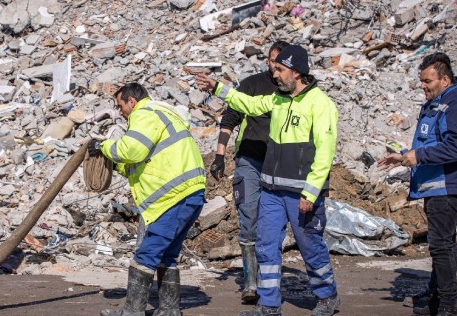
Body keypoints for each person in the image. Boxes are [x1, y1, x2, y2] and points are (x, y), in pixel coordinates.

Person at [196, 44, 340, 316]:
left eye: (280, 70)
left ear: (296, 73)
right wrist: (218, 87)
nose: (274, 75)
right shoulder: (277, 99)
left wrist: (311, 193)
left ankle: (327, 296)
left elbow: (325, 152)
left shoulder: (320, 104)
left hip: (301, 194)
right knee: (266, 245)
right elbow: (248, 104)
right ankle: (269, 304)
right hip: (272, 190)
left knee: (310, 246)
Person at [88, 83, 206, 316]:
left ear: (132, 101)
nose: (119, 111)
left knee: (147, 254)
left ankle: (132, 312)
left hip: (174, 196)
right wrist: (114, 163)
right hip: (188, 193)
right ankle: (170, 310)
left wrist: (103, 147)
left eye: (120, 105)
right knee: (166, 255)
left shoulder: (145, 113)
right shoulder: (161, 113)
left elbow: (132, 150)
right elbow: (139, 162)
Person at [377, 53, 457, 316]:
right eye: (421, 81)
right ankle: (436, 295)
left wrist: (417, 156)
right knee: (442, 243)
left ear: (445, 80)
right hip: (436, 185)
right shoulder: (437, 104)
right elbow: (431, 143)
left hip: (449, 186)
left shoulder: (456, 104)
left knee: (441, 245)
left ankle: (447, 304)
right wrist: (404, 157)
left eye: (428, 81)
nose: (423, 85)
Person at [211, 40, 287, 303]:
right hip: (250, 162)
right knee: (249, 216)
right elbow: (231, 117)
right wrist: (220, 155)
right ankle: (251, 282)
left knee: (274, 223)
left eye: (281, 63)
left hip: (279, 164)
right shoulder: (252, 84)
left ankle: (270, 278)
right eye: (272, 61)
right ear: (267, 60)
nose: (275, 68)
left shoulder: (292, 91)